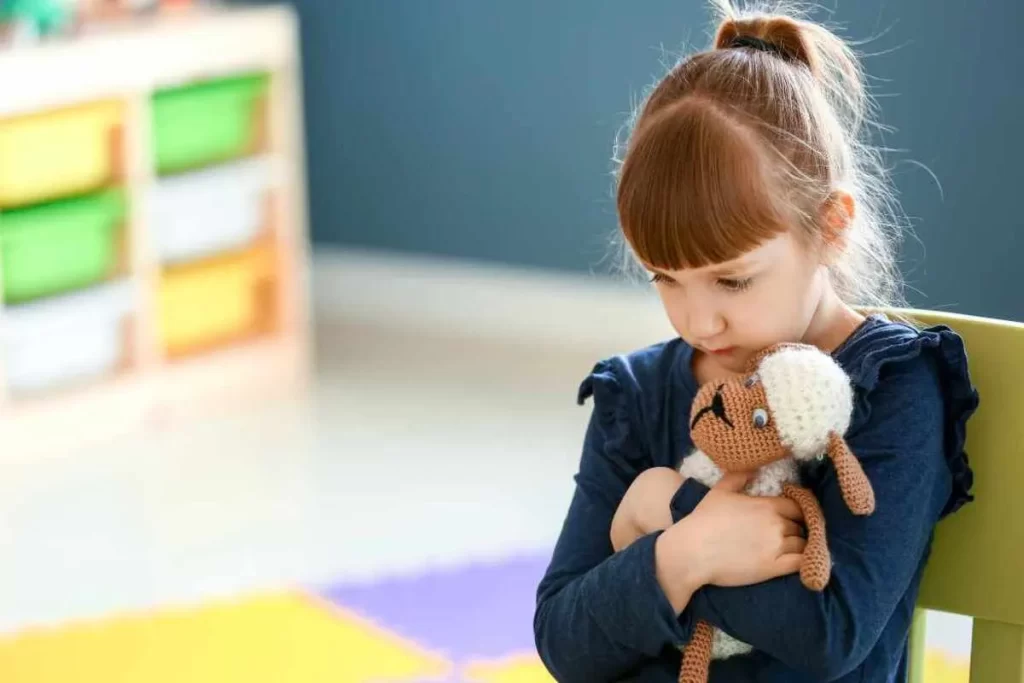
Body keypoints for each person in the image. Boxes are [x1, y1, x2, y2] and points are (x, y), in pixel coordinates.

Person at [532, 2, 979, 681]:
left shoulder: (892, 388)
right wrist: (681, 555)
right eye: (666, 278)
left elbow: (829, 635)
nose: (698, 322)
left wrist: (665, 519)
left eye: (731, 280)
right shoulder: (639, 392)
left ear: (830, 227)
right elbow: (564, 638)